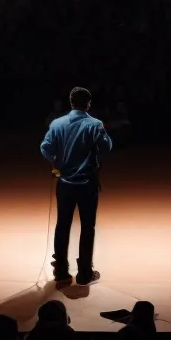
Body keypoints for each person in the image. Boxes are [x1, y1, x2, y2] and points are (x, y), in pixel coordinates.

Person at [40, 85, 113, 286]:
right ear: (88, 104)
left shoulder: (57, 124)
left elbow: (45, 147)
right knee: (87, 227)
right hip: (87, 183)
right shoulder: (94, 124)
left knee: (62, 225)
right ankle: (84, 273)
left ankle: (61, 271)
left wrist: (55, 161)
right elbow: (106, 147)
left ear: (71, 103)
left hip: (64, 182)